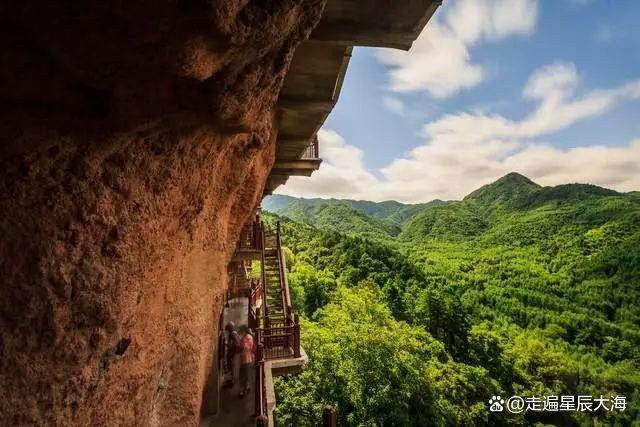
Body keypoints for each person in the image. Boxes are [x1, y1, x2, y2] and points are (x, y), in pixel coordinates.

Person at [238, 328, 255, 397]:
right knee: (244, 375)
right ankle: (246, 388)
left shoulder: (248, 338)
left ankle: (244, 390)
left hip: (246, 359)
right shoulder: (247, 338)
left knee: (244, 375)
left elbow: (245, 347)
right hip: (245, 359)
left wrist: (242, 341)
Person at [224, 322, 240, 386]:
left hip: (232, 352)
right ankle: (232, 380)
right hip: (235, 352)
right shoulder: (235, 333)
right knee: (233, 366)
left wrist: (225, 344)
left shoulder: (231, 334)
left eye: (227, 329)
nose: (227, 331)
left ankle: (232, 381)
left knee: (231, 366)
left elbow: (230, 344)